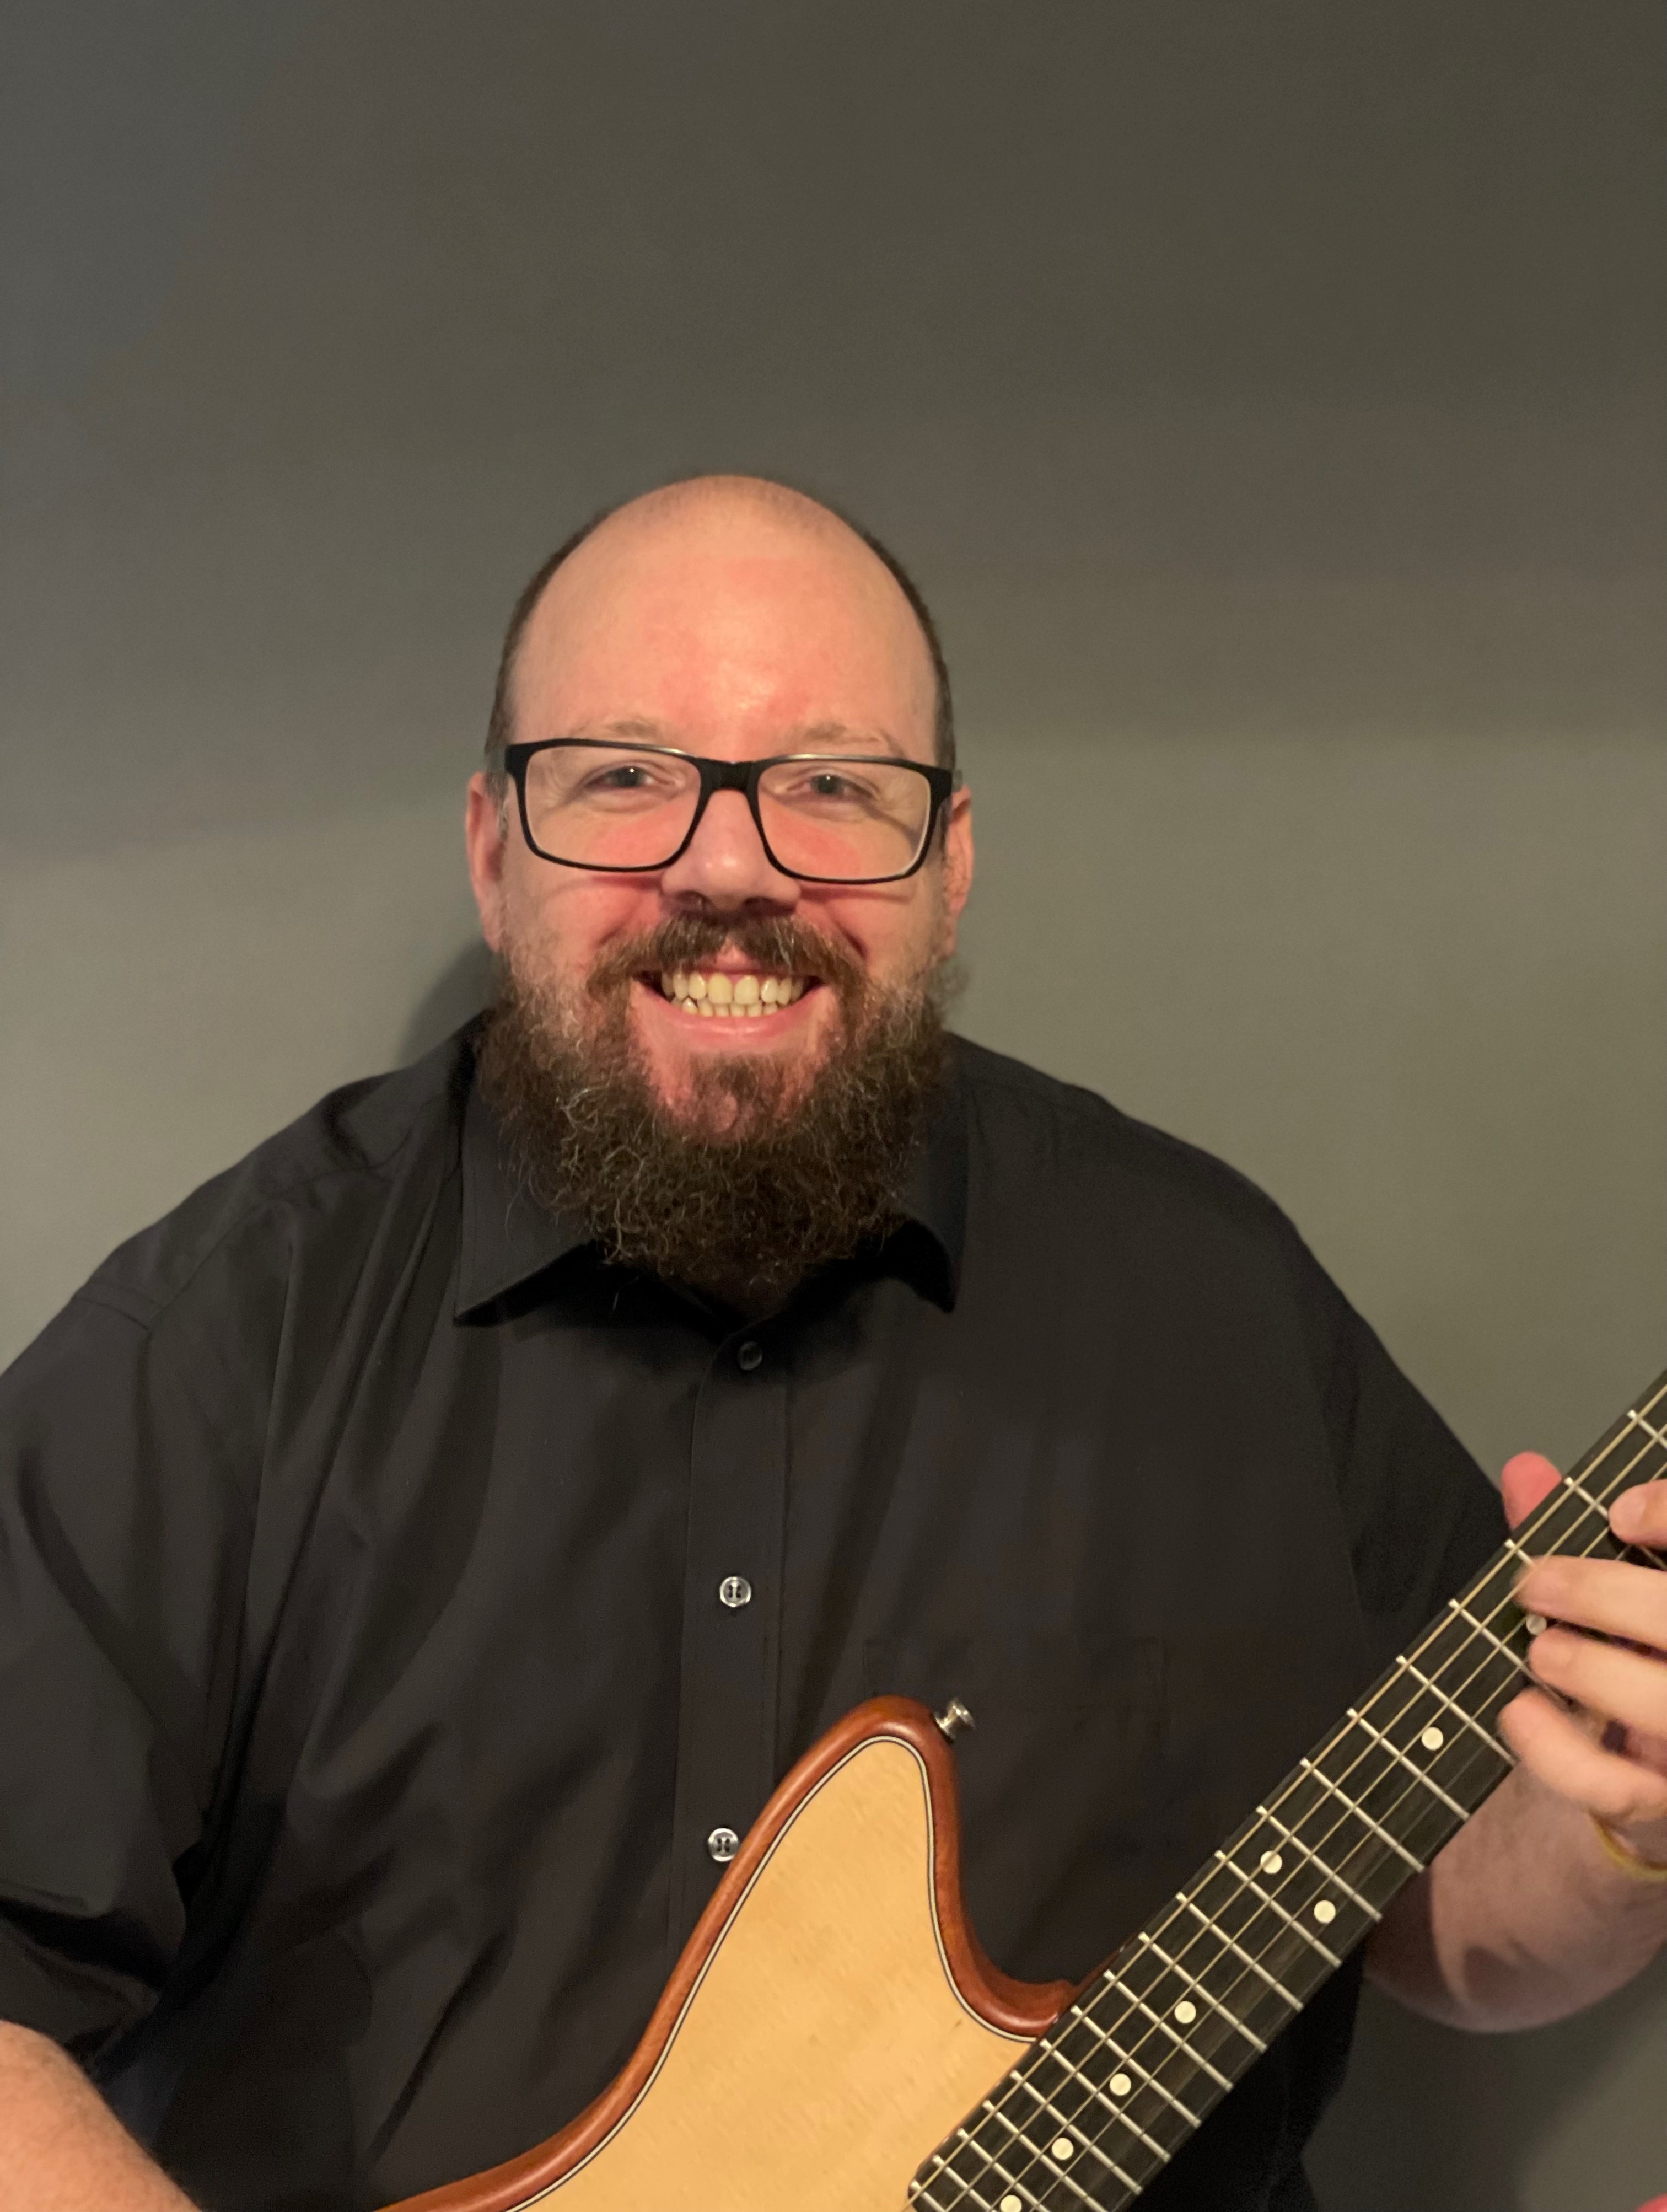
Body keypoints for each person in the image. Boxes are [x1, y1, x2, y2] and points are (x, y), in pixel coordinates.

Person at [2, 476, 1664, 2212]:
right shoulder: (237, 1337)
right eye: (624, 777)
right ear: (494, 854)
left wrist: (1620, 1830)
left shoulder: (1210, 1298)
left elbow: (1444, 1916)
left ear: (951, 867)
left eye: (833, 786)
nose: (730, 867)